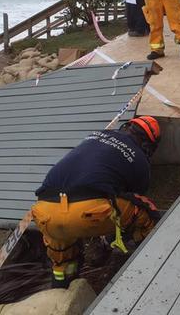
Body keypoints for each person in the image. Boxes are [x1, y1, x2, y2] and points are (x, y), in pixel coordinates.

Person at [32, 116, 162, 288]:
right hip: (89, 213)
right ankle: (150, 262)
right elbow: (132, 197)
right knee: (146, 213)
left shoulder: (95, 136)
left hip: (45, 212)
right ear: (148, 145)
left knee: (62, 252)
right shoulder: (139, 159)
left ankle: (61, 289)